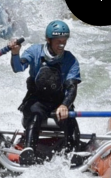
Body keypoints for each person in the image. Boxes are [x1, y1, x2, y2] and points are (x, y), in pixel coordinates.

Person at [8, 20, 81, 166]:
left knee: (70, 122)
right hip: (37, 101)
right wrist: (15, 53)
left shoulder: (70, 60)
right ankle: (28, 151)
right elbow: (18, 68)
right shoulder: (35, 51)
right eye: (58, 41)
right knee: (35, 116)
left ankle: (72, 153)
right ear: (48, 39)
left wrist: (65, 105)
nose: (61, 45)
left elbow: (72, 87)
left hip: (59, 103)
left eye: (64, 41)